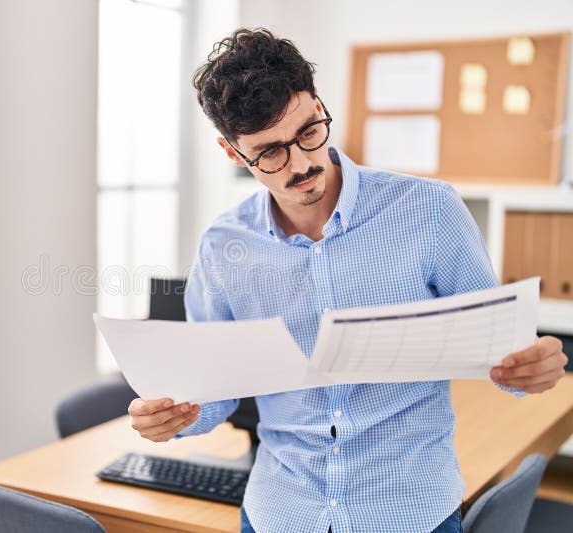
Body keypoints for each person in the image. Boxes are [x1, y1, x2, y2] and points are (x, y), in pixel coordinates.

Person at [127, 28, 568, 533]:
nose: (302, 164)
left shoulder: (429, 212)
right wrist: (176, 415)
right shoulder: (222, 247)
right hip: (280, 513)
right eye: (269, 153)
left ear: (318, 104)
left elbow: (502, 351)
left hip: (409, 513)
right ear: (232, 152)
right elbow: (215, 391)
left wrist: (532, 367)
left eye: (309, 132)